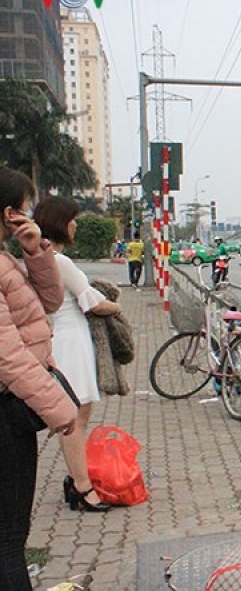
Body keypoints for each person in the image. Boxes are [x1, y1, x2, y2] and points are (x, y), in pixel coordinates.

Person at [0, 168, 77, 589]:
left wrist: (35, 250)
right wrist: (62, 409)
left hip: (12, 408)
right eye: (25, 211)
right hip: (6, 414)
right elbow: (7, 356)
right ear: (9, 212)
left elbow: (49, 300)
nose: (31, 219)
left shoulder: (9, 259)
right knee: (9, 542)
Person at [35, 196, 123, 513]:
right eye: (72, 219)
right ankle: (83, 488)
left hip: (65, 339)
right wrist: (117, 306)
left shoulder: (43, 257)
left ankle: (76, 478)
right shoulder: (59, 261)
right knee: (75, 420)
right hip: (70, 341)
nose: (75, 225)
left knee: (72, 418)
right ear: (60, 222)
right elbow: (92, 302)